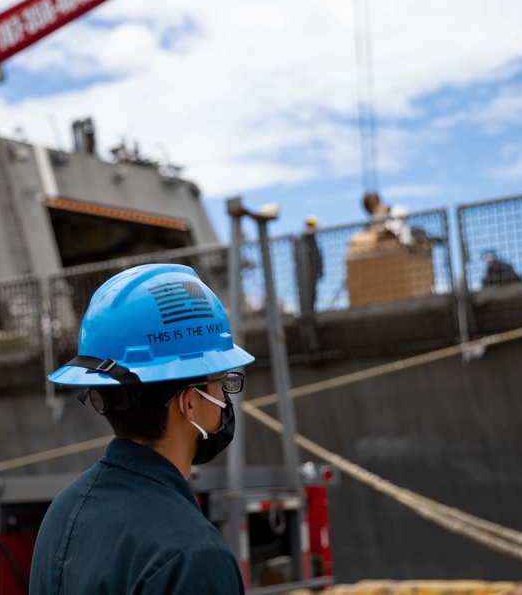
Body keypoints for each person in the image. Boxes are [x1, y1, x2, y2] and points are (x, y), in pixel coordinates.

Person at [30, 264, 255, 595]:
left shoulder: (63, 511)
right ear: (189, 403)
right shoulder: (195, 557)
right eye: (223, 382)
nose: (225, 397)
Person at [295, 216, 324, 314]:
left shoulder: (313, 240)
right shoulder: (303, 240)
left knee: (313, 294)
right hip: (306, 275)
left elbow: (317, 257)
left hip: (313, 274)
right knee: (306, 296)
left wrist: (319, 270)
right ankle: (307, 313)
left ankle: (311, 312)